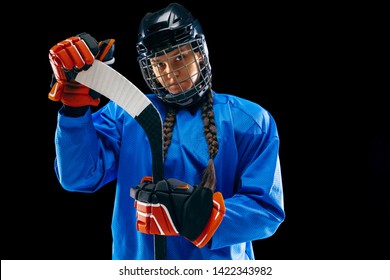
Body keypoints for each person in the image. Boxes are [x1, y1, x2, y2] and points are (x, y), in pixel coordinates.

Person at [48, 2, 285, 260]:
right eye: (159, 65)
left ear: (200, 54)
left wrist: (200, 216)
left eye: (180, 58)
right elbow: (78, 177)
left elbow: (265, 210)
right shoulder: (125, 114)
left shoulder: (249, 121)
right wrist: (75, 111)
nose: (170, 74)